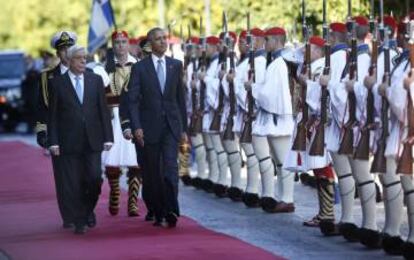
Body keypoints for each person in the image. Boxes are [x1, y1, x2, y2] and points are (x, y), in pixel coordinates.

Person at [48, 45, 113, 234]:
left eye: (85, 58)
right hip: (68, 142)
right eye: (79, 58)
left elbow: (103, 110)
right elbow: (52, 116)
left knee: (94, 179)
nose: (84, 61)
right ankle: (79, 219)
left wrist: (108, 137)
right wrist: (53, 142)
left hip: (93, 140)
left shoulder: (95, 80)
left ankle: (86, 210)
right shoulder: (57, 83)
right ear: (69, 61)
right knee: (73, 184)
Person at [127, 27, 187, 227]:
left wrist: (183, 129)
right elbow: (133, 101)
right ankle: (158, 209)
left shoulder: (176, 65)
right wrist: (136, 127)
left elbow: (180, 99)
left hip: (171, 126)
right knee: (153, 173)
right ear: (150, 43)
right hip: (148, 128)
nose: (163, 41)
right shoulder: (140, 68)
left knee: (170, 168)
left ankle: (171, 209)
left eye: (164, 38)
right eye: (158, 39)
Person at [35, 31, 77, 228]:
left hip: (84, 134)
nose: (67, 52)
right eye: (62, 49)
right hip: (60, 135)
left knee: (89, 176)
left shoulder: (87, 72)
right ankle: (69, 216)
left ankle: (85, 210)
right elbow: (42, 108)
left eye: (70, 48)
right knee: (64, 178)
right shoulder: (47, 77)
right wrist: (42, 132)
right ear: (58, 53)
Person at [102, 30, 141, 217]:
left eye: (124, 41)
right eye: (117, 42)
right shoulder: (103, 68)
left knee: (136, 161)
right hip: (112, 116)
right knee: (111, 160)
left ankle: (133, 202)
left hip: (133, 116)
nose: (120, 45)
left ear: (128, 44)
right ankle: (115, 193)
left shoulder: (139, 66)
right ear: (113, 45)